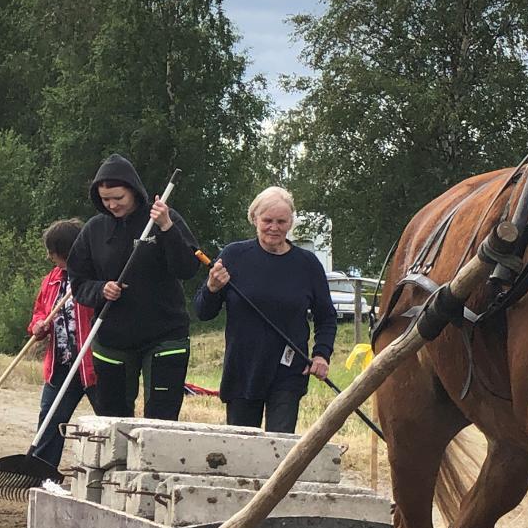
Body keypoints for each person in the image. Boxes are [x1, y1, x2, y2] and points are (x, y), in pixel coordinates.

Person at [194, 185, 337, 432]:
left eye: (281, 221)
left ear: (291, 222)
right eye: (267, 220)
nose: (274, 227)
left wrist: (321, 354)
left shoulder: (307, 264)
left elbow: (326, 316)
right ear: (254, 219)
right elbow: (203, 312)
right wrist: (212, 288)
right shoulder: (234, 255)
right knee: (242, 446)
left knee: (279, 446)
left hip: (288, 370)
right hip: (243, 369)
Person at [67, 154, 199, 420]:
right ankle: (115, 464)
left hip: (165, 334)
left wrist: (166, 228)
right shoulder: (94, 230)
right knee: (111, 418)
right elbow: (78, 282)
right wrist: (101, 289)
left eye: (119, 198)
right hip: (112, 338)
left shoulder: (166, 218)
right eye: (106, 200)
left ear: (134, 191)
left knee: (161, 419)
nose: (113, 205)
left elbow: (188, 268)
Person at [26, 221, 97, 468]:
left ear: (67, 251)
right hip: (61, 364)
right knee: (49, 421)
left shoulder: (94, 275)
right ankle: (38, 472)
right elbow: (39, 312)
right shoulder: (52, 280)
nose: (49, 256)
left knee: (110, 421)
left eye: (52, 250)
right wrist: (38, 325)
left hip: (94, 366)